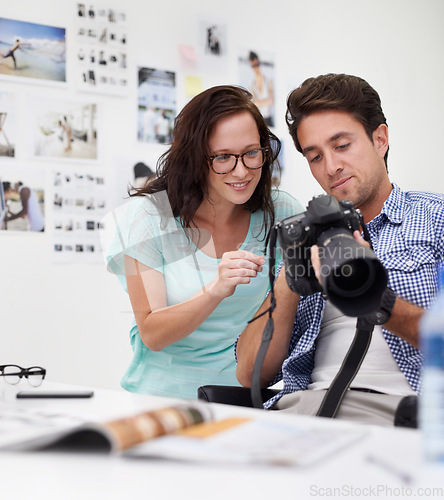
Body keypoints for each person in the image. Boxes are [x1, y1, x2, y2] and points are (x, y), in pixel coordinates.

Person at [236, 73, 444, 426]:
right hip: (302, 414)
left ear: (380, 139)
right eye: (315, 157)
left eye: (342, 145)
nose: (331, 167)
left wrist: (378, 299)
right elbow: (250, 375)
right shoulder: (307, 237)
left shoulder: (434, 218)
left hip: (404, 416)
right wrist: (291, 277)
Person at [102, 85, 303, 399]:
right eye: (223, 157)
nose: (242, 171)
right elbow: (152, 333)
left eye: (252, 153)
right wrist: (216, 289)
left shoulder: (283, 212)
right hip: (163, 400)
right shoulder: (147, 218)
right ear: (195, 158)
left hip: (246, 401)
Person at [248, 51, 274, 127]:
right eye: (253, 66)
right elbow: (254, 104)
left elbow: (271, 101)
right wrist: (265, 101)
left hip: (268, 119)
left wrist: (260, 102)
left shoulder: (268, 79)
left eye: (257, 64)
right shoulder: (251, 83)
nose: (256, 68)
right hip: (258, 120)